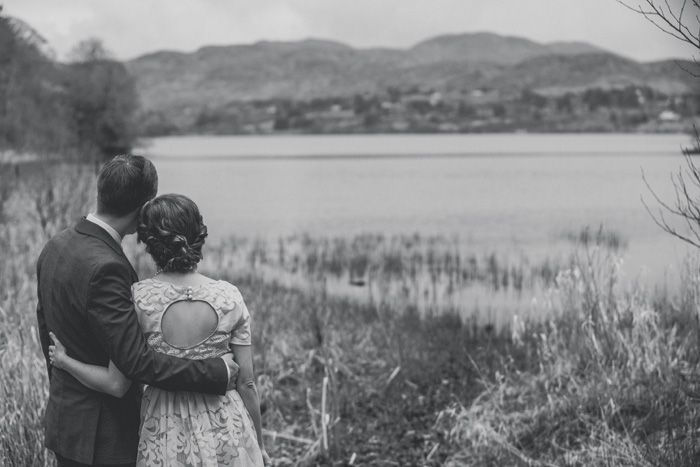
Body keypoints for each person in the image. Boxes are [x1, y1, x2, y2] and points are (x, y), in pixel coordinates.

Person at [36, 155, 240, 467]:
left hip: (66, 421)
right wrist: (217, 373)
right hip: (104, 437)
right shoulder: (108, 267)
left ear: (101, 191)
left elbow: (45, 328)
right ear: (145, 206)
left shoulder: (56, 244)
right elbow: (134, 361)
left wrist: (64, 379)